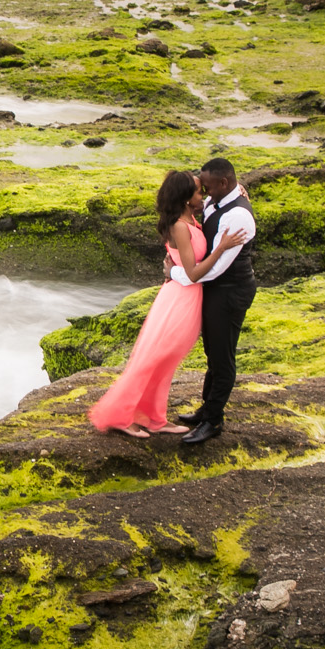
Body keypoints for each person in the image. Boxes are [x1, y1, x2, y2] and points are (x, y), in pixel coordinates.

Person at [88, 170, 247, 438]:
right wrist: (221, 247)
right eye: (199, 192)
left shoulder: (192, 217)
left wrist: (238, 190)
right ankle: (122, 416)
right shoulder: (179, 226)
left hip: (189, 298)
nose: (204, 195)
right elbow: (194, 272)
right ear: (186, 198)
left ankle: (154, 418)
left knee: (167, 362)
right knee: (152, 360)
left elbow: (215, 197)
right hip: (179, 300)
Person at [180, 157, 259, 447]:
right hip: (216, 288)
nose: (204, 192)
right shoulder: (221, 198)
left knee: (223, 355)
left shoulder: (237, 217)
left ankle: (213, 420)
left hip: (231, 289)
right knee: (212, 350)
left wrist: (178, 274)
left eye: (208, 186)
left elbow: (217, 267)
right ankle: (206, 408)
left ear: (224, 183)